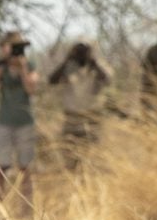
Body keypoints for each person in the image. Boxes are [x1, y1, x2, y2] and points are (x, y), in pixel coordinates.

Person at [0, 30, 39, 214]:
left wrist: (22, 68)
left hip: (25, 122)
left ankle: (27, 210)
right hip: (4, 121)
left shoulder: (29, 65)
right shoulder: (1, 66)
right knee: (0, 167)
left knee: (25, 167)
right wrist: (3, 64)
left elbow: (31, 89)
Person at [48, 41, 113, 169]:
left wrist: (94, 62)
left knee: (92, 157)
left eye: (85, 50)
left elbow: (108, 79)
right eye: (79, 50)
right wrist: (66, 60)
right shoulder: (68, 66)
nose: (81, 53)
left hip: (92, 118)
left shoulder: (98, 66)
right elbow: (52, 80)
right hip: (72, 118)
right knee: (70, 156)